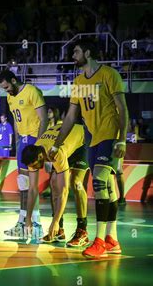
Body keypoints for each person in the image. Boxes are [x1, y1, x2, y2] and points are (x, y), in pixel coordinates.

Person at [50, 39, 128, 258]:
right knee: (109, 190)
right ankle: (112, 239)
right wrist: (57, 144)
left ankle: (99, 241)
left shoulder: (109, 75)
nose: (72, 55)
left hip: (110, 136)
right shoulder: (77, 82)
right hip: (91, 140)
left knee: (100, 184)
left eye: (76, 51)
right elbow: (71, 117)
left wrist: (122, 139)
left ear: (88, 52)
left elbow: (123, 109)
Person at [0, 70, 48, 238]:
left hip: (34, 140)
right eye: (4, 89)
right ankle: (21, 223)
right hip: (23, 142)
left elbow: (43, 119)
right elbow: (17, 122)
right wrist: (18, 142)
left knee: (32, 186)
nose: (7, 91)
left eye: (7, 87)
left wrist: (39, 145)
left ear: (14, 80)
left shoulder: (31, 91)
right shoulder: (10, 97)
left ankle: (37, 224)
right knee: (23, 184)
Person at [22, 124, 90, 247]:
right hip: (62, 143)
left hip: (82, 141)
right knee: (54, 183)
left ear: (41, 157)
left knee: (76, 183)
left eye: (35, 166)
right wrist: (27, 218)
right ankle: (59, 231)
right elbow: (32, 189)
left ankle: (82, 230)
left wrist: (55, 221)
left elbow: (64, 191)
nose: (34, 169)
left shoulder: (56, 153)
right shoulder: (34, 153)